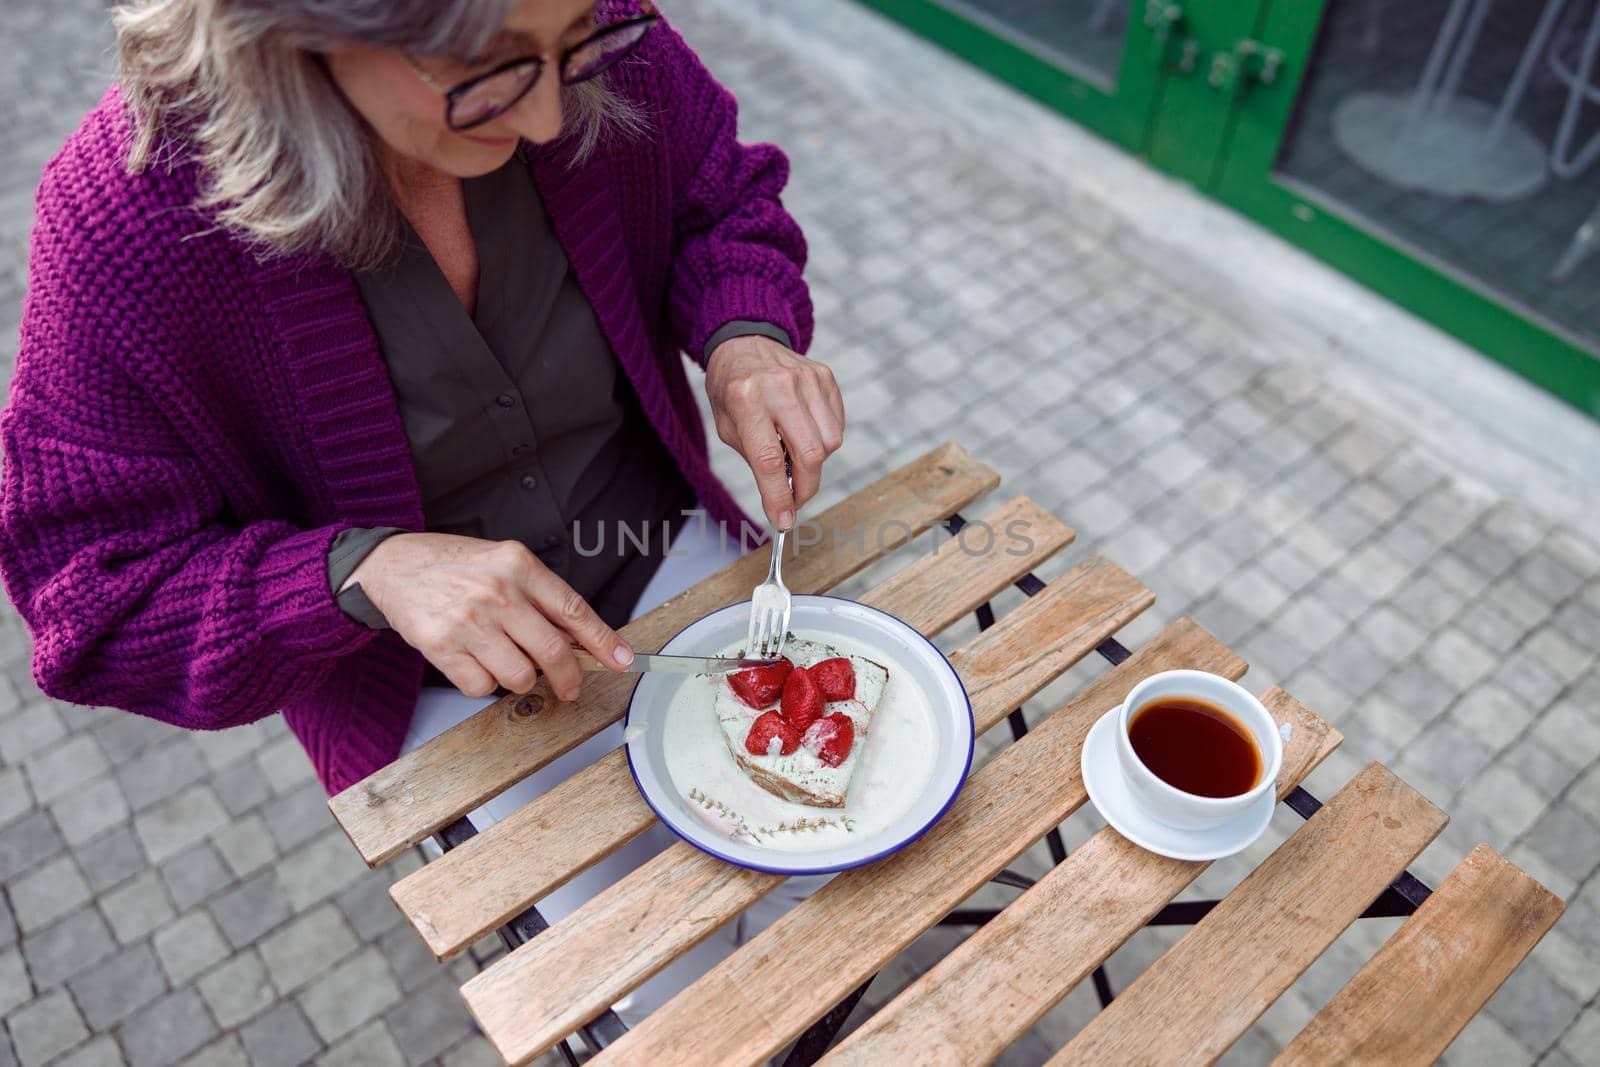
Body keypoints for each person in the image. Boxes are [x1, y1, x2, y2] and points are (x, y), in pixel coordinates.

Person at [0, 0, 844, 1021]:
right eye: (483, 71)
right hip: (427, 688)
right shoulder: (128, 225)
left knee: (849, 854)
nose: (544, 120)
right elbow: (87, 595)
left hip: (663, 540)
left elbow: (718, 192)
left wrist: (743, 331)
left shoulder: (581, 32)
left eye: (568, 49)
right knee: (690, 1009)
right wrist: (358, 573)